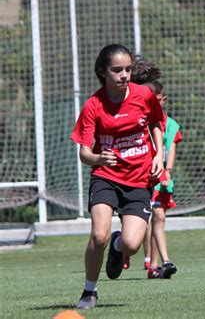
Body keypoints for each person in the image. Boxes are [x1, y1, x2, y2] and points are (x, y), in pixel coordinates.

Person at [71, 44, 165, 309]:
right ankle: (89, 291)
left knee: (131, 244)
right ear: (103, 71)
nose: (124, 75)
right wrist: (98, 159)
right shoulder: (93, 105)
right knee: (97, 235)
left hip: (139, 179)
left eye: (128, 69)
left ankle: (117, 243)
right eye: (117, 70)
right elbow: (84, 153)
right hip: (106, 176)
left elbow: (157, 123)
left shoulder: (144, 96)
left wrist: (159, 155)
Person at [122, 56, 181, 279]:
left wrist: (164, 168)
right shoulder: (127, 113)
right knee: (135, 230)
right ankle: (125, 251)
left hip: (154, 177)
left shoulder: (166, 123)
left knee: (158, 217)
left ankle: (158, 263)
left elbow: (166, 146)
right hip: (129, 176)